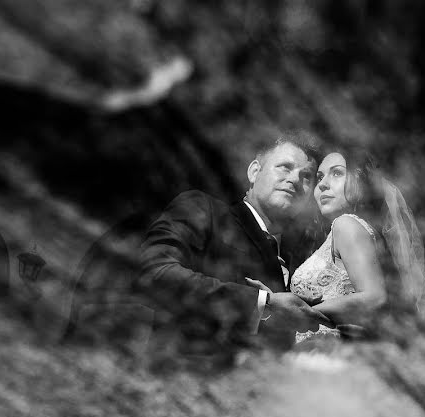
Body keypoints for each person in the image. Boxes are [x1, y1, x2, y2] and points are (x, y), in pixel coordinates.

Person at [137, 131, 332, 357]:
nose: (295, 179)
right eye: (285, 167)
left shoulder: (303, 262)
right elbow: (153, 272)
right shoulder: (204, 210)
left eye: (307, 176)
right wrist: (262, 304)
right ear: (254, 171)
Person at [247, 147, 425, 344]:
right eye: (319, 177)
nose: (322, 185)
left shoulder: (345, 224)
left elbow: (374, 297)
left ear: (360, 182)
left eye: (337, 173)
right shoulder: (348, 233)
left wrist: (299, 310)